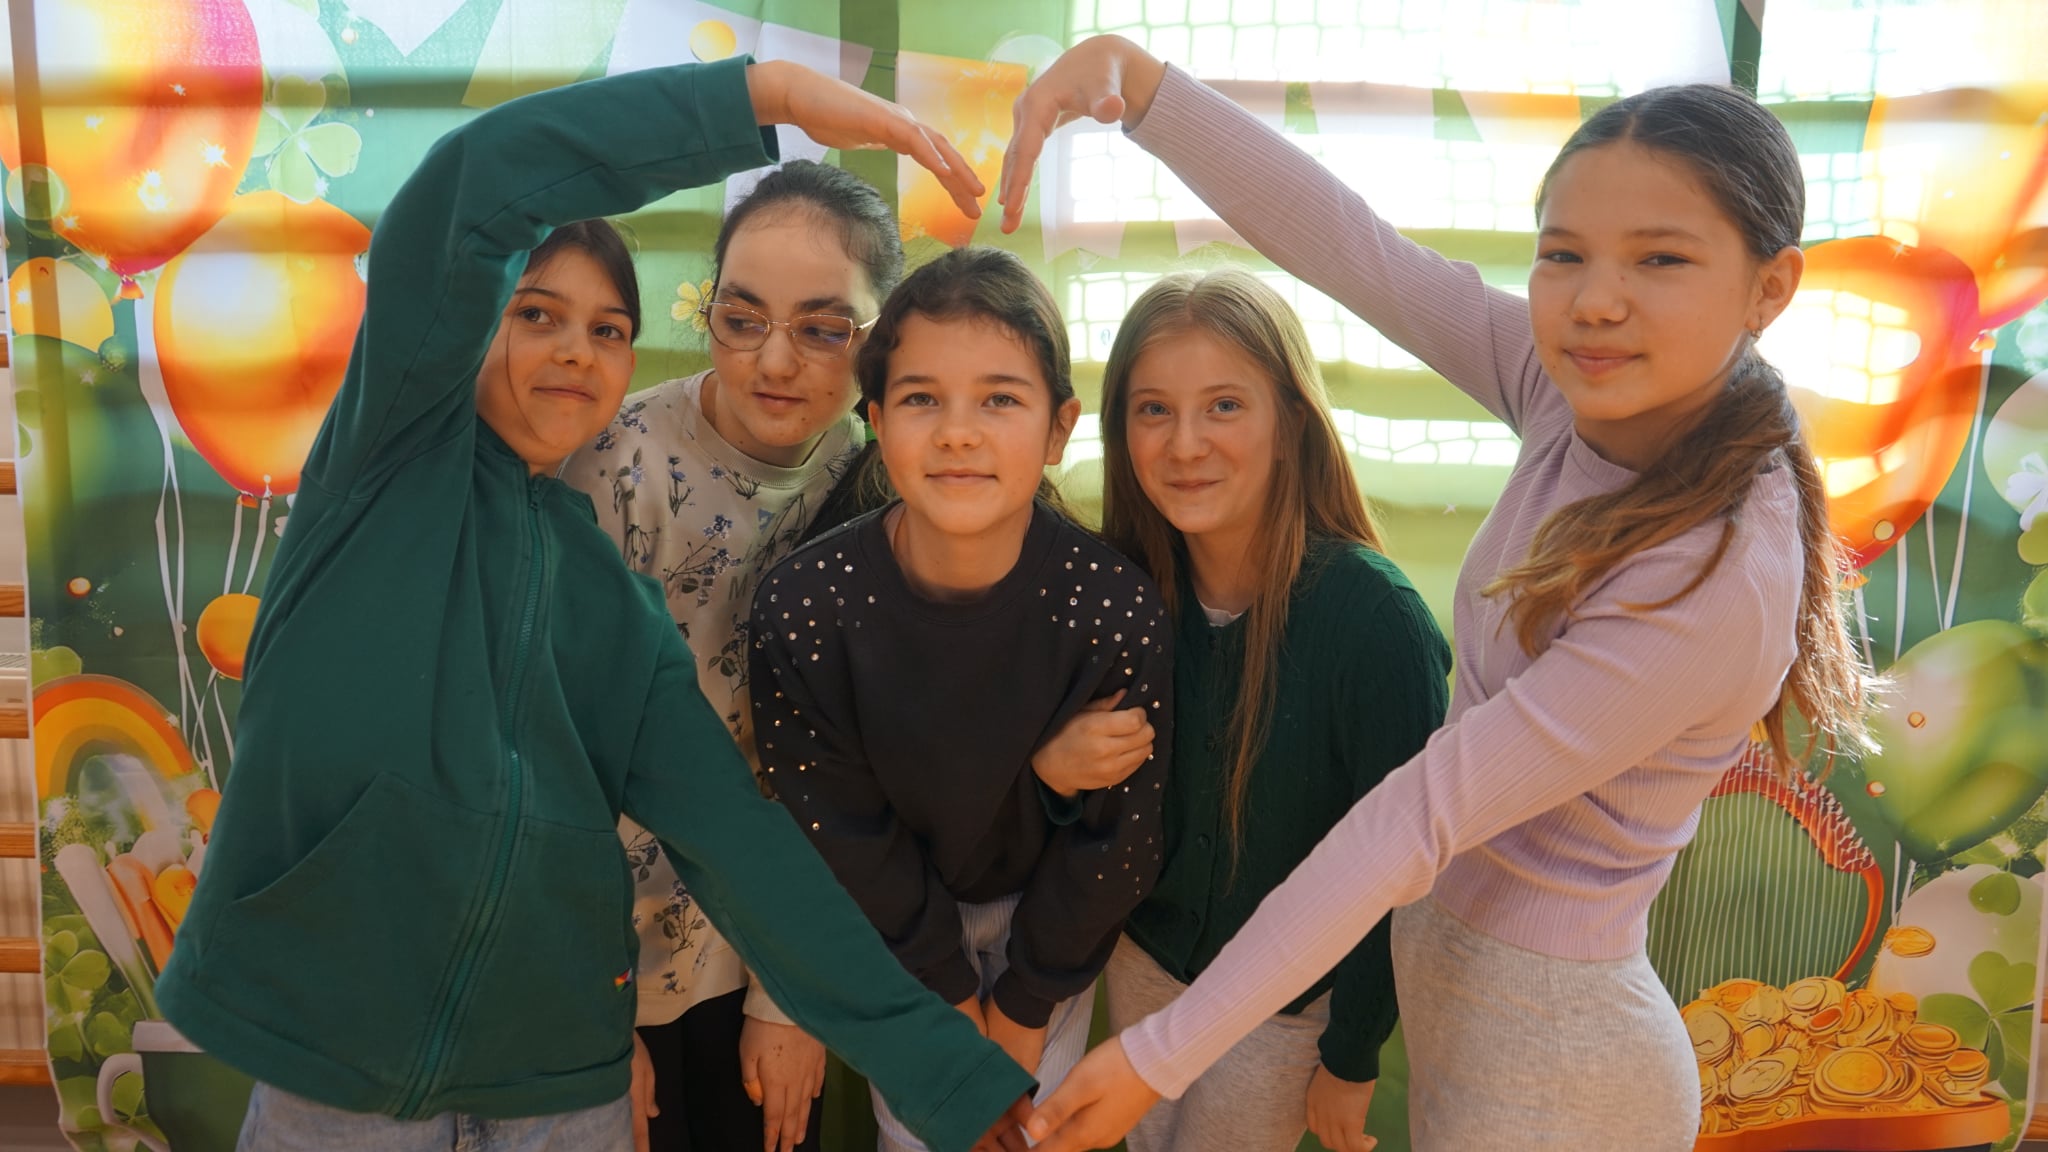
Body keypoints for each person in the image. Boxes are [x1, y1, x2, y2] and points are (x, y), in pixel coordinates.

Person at [995, 36, 1874, 1152]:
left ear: (1770, 286)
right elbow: (1363, 254)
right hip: (1475, 1027)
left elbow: (1416, 816)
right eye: (1562, 255)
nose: (1595, 301)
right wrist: (1144, 88)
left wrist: (1160, 1055)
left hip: (1560, 1074)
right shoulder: (1570, 393)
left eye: (1660, 259)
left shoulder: (1717, 574)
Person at [154, 56, 1035, 1152]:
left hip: (558, 1078)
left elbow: (742, 848)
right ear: (474, 322)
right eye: (537, 314)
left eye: (608, 329)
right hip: (337, 1057)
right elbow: (476, 182)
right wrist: (763, 97)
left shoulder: (617, 609)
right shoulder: (380, 476)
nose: (575, 349)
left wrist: (946, 1075)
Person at [747, 247, 1172, 1152]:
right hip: (891, 922)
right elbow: (841, 830)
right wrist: (945, 999)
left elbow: (1118, 840)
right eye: (920, 399)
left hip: (1051, 924)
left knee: (1031, 1135)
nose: (958, 434)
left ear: (1059, 429)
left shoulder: (1112, 606)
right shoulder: (807, 607)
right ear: (875, 421)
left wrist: (1022, 1006)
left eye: (1000, 400)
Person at [561, 159, 901, 1152]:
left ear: (879, 337)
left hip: (775, 952)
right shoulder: (617, 470)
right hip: (609, 960)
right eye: (741, 319)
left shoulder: (885, 475)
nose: (773, 361)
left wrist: (790, 998)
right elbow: (558, 757)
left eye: (823, 329)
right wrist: (594, 1008)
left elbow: (865, 773)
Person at [1093, 269, 1449, 1152]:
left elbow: (1402, 871)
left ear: (1291, 423)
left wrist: (1352, 1054)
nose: (1185, 445)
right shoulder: (1119, 592)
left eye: (1224, 406)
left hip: (1284, 1015)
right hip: (1142, 970)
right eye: (1153, 410)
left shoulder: (1376, 622)